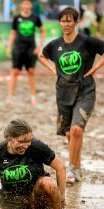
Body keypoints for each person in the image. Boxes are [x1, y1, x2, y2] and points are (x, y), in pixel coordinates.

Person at [39, 7, 104, 184]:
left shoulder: (87, 41)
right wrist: (53, 69)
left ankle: (73, 169)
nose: (66, 24)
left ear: (76, 22)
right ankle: (78, 167)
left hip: (85, 90)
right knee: (70, 134)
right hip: (63, 92)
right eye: (63, 20)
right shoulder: (55, 44)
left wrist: (95, 69)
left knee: (76, 130)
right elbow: (42, 56)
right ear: (59, 22)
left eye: (69, 21)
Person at [6, 0, 46, 106]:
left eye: (28, 4)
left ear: (31, 6)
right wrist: (9, 47)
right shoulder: (16, 18)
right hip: (18, 48)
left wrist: (40, 46)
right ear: (21, 5)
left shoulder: (35, 18)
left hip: (31, 48)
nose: (26, 6)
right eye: (24, 4)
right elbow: (13, 33)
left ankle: (33, 97)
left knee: (31, 71)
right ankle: (10, 97)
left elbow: (43, 31)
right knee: (14, 72)